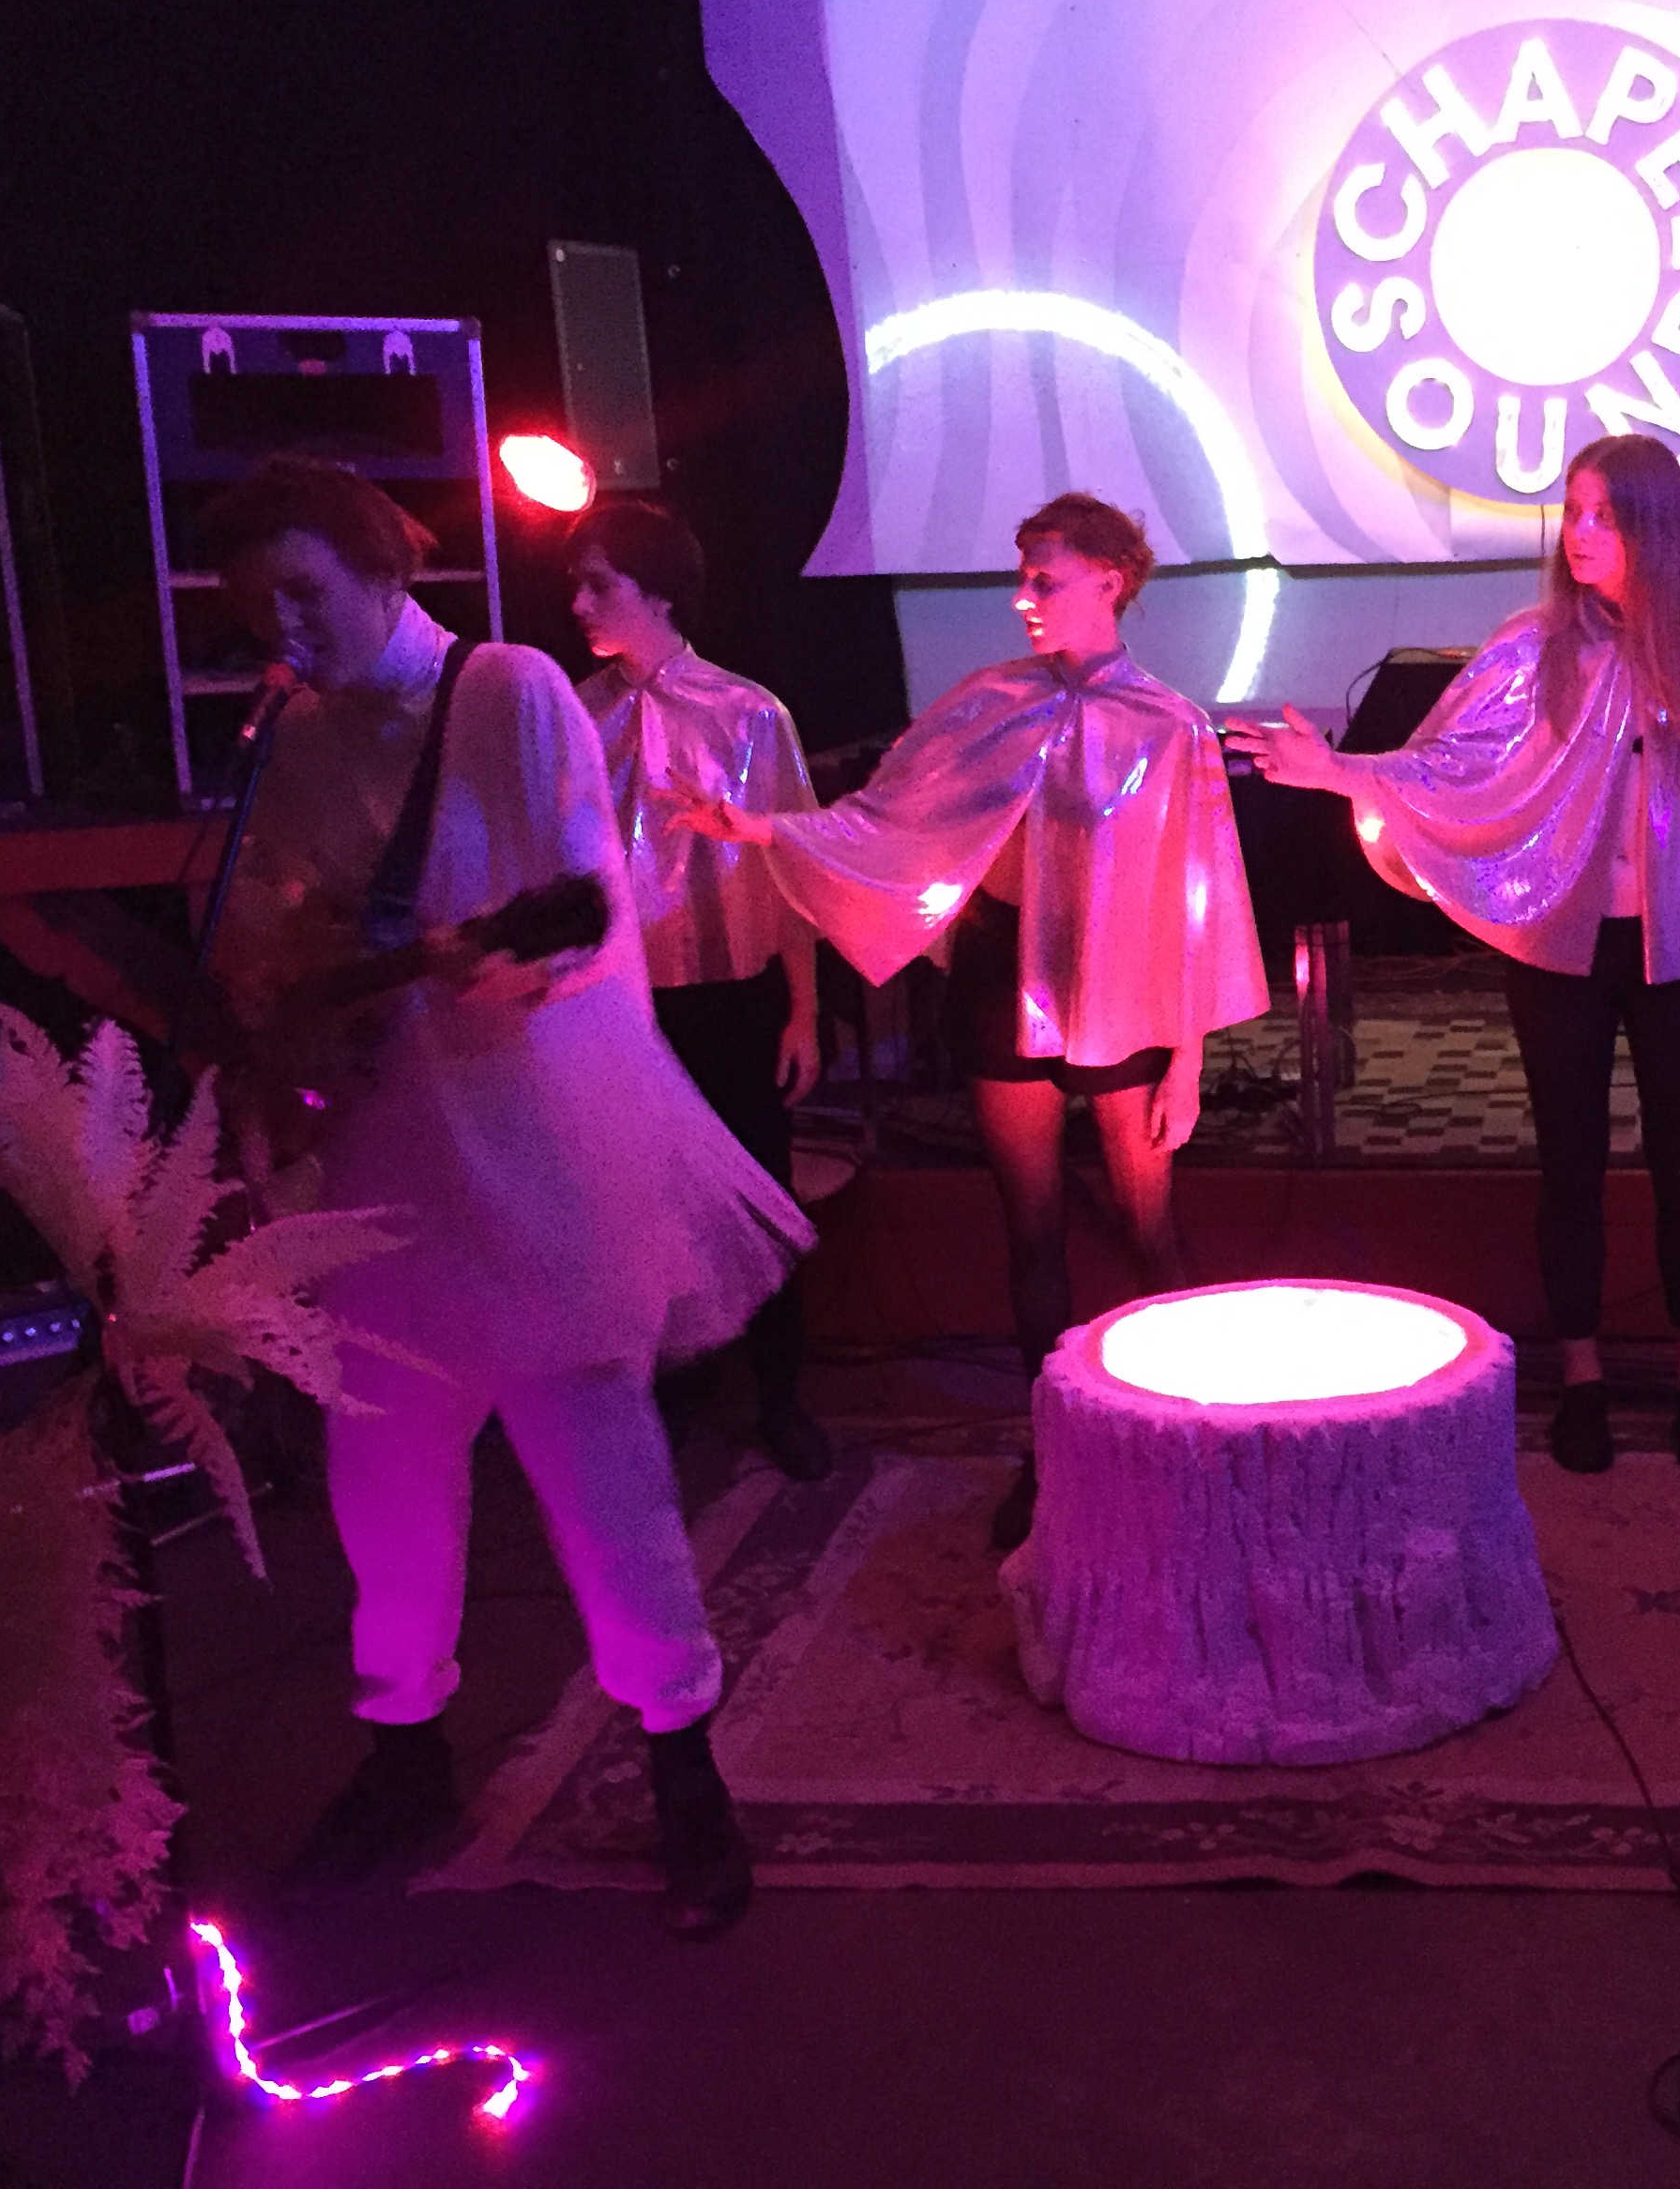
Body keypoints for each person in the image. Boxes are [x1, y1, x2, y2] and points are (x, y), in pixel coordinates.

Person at [203, 456, 806, 1937]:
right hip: (379, 1169)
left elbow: (588, 904)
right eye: (260, 611)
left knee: (605, 1484)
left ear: (383, 571)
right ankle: (405, 1749)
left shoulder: (510, 692)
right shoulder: (300, 736)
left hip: (532, 1161)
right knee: (384, 1487)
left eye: (307, 595)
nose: (287, 631)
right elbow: (267, 925)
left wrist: (496, 969)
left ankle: (683, 1770)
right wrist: (289, 991)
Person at [669, 493, 1265, 1549]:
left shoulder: (1169, 725)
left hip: (1122, 991)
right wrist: (760, 828)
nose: (1022, 597)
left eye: (1045, 578)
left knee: (1148, 1228)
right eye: (1020, 575)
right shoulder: (987, 702)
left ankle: (1191, 1436)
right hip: (1000, 980)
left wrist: (1187, 1058)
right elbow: (883, 822)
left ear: (1110, 581)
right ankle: (1055, 1454)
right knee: (1029, 1229)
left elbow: (1197, 897)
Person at [1231, 433, 1680, 1474]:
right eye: (1572, 511)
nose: (1579, 533)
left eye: (1604, 515)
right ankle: (1583, 1377)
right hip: (1559, 945)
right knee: (1570, 1162)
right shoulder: (1533, 649)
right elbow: (1441, 768)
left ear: (1654, 526)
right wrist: (1337, 772)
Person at [568, 499, 831, 1485]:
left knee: (758, 1189)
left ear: (660, 593)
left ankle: (781, 1396)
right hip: (622, 1003)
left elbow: (791, 866)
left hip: (730, 991)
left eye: (601, 584)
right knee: (641, 1201)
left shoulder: (748, 714)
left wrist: (803, 1008)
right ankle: (674, 1395)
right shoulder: (577, 714)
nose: (580, 603)